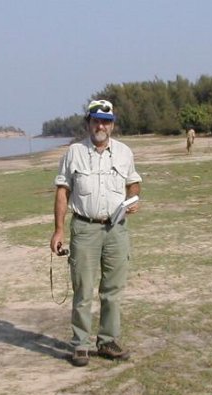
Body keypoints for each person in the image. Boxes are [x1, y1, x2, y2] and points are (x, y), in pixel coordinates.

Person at [50, 99, 142, 367]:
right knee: (83, 289)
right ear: (88, 123)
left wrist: (133, 199)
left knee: (112, 289)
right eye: (96, 120)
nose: (101, 125)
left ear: (112, 125)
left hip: (116, 229)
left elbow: (133, 184)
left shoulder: (125, 152)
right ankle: (80, 344)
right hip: (84, 228)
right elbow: (62, 192)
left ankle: (108, 341)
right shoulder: (74, 152)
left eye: (106, 121)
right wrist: (58, 230)